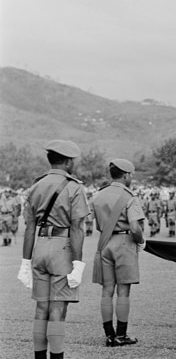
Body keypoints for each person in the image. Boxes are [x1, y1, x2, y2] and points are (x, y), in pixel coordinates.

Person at [18, 140, 90, 359]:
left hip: (40, 246)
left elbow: (29, 228)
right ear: (68, 162)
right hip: (63, 250)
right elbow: (77, 228)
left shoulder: (35, 186)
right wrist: (77, 263)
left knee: (41, 309)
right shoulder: (74, 187)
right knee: (58, 309)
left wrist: (25, 262)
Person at [91, 159, 146, 347]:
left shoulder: (98, 196)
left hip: (105, 242)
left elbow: (98, 226)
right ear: (126, 175)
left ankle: (109, 335)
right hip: (124, 243)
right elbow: (135, 227)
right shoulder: (129, 197)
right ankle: (121, 335)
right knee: (123, 292)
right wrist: (141, 240)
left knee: (107, 291)